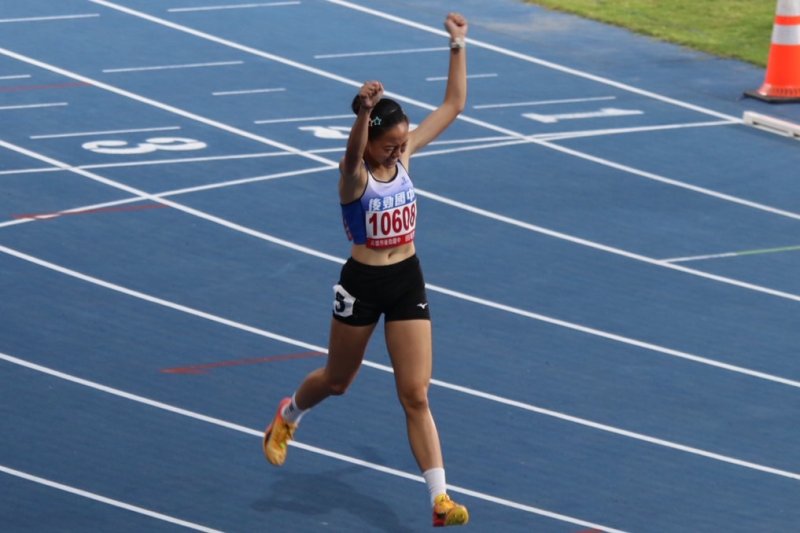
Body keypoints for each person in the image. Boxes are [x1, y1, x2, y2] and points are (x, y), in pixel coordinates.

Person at [263, 12, 470, 528]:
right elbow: (354, 152)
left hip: (406, 280)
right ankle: (289, 416)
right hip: (361, 286)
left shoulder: (405, 157)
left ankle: (440, 500)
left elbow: (453, 106)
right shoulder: (354, 178)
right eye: (390, 143)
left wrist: (457, 46)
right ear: (373, 141)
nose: (400, 149)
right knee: (337, 381)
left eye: (403, 142)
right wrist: (363, 112)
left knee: (416, 392)